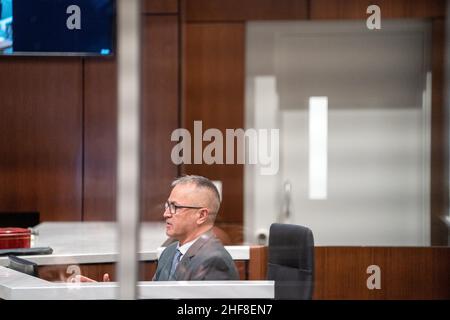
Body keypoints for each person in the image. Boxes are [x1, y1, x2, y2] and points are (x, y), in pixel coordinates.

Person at [72, 175, 238, 282]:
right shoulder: (170, 252)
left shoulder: (214, 261)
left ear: (201, 215)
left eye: (175, 207)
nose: (166, 213)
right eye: (167, 206)